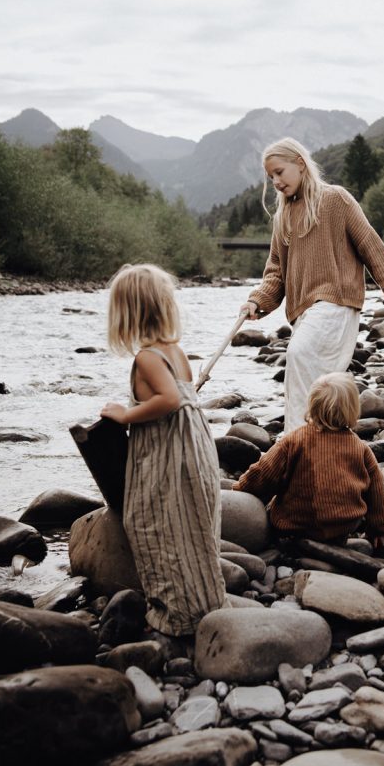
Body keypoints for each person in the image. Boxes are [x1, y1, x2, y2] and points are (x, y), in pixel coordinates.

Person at [240, 137, 384, 432]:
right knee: (316, 385)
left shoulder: (335, 199)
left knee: (298, 355)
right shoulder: (283, 217)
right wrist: (257, 300)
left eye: (279, 172)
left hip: (337, 303)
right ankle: (318, 443)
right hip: (304, 312)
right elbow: (275, 272)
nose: (275, 181)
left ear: (300, 164)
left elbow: (369, 243)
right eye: (270, 177)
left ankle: (296, 441)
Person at [101, 263, 226, 637]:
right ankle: (205, 598)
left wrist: (126, 415)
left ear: (129, 314)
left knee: (155, 522)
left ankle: (178, 612)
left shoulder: (147, 358)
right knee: (192, 522)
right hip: (194, 447)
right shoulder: (175, 350)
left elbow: (170, 399)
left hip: (167, 454)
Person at [233, 371, 384, 547]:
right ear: (353, 409)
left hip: (295, 525)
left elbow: (265, 472)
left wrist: (242, 487)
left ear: (312, 405)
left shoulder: (294, 440)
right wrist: (379, 527)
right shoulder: (360, 447)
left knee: (271, 504)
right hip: (342, 526)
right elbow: (376, 489)